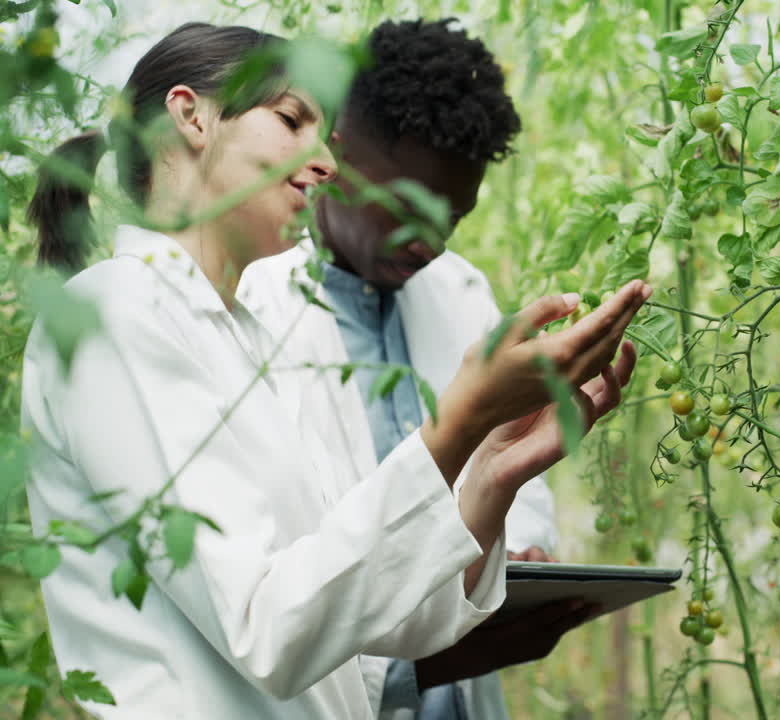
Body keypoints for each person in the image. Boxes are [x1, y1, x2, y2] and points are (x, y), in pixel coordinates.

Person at [21, 22, 649, 719]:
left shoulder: (258, 337)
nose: (323, 163)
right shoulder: (115, 311)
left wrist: (496, 467)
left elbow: (382, 628)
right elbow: (269, 632)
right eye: (292, 120)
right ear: (190, 115)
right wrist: (460, 419)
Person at [237, 18, 611, 720]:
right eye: (407, 210)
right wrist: (431, 660)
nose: (431, 245)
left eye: (455, 217)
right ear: (333, 158)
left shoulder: (463, 295)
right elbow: (279, 600)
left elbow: (510, 487)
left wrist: (524, 551)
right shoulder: (250, 307)